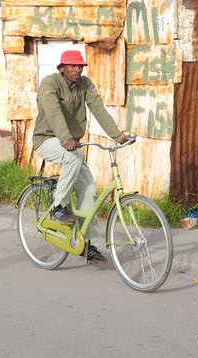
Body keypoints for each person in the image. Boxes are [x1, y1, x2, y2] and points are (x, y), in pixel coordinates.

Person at [33, 50, 132, 262]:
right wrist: (65, 138)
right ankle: (59, 206)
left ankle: (86, 244)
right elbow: (53, 112)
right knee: (73, 157)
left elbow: (99, 110)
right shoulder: (49, 84)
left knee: (89, 189)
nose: (77, 70)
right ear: (61, 68)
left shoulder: (85, 85)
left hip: (71, 144)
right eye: (72, 66)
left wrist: (118, 136)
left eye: (80, 66)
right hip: (47, 139)